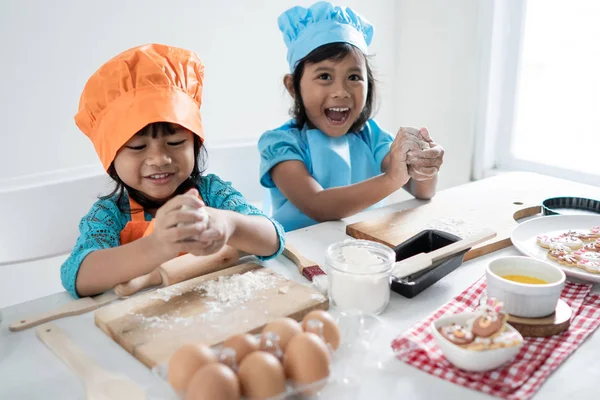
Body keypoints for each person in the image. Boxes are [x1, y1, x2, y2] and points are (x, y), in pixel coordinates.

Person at [61, 44, 284, 298]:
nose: (159, 159)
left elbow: (272, 238)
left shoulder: (212, 193)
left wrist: (229, 224)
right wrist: (157, 246)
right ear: (110, 158)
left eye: (175, 142)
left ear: (195, 143)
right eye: (138, 146)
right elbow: (76, 276)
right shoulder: (110, 215)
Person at [259, 1, 445, 231]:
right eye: (325, 76)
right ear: (293, 87)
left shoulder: (371, 136)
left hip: (361, 251)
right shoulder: (281, 144)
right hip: (298, 258)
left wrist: (423, 164)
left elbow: (422, 191)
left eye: (354, 77)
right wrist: (390, 180)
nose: (341, 92)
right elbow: (316, 205)